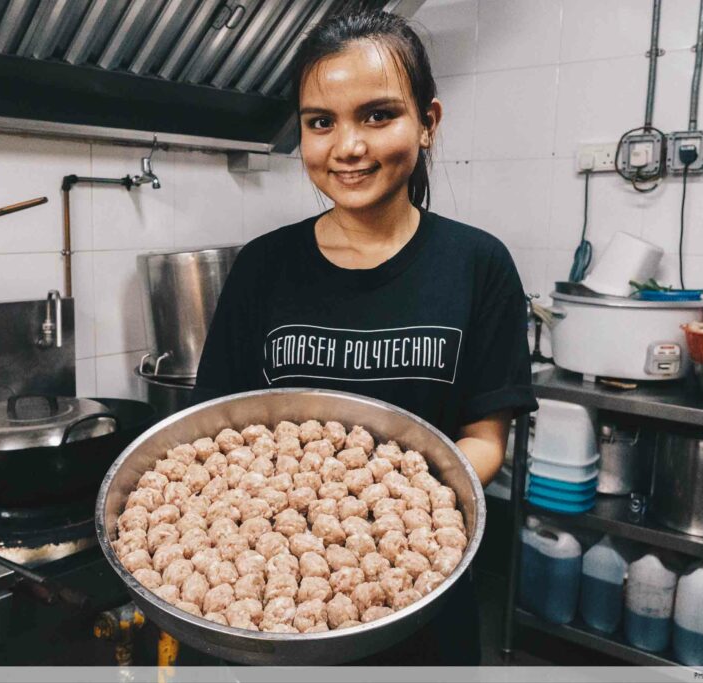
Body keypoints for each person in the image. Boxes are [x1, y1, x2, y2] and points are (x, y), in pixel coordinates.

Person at [193, 11, 537, 664]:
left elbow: (486, 439)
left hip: (419, 587)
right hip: (277, 596)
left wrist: (398, 510)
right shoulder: (262, 267)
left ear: (428, 122)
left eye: (378, 115)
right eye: (321, 122)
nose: (348, 146)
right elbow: (215, 431)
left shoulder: (477, 265)